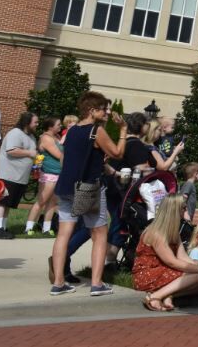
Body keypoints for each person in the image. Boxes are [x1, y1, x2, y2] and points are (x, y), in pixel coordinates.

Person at [49, 92, 125, 297]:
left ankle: (58, 282)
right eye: (103, 108)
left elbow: (67, 159)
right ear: (92, 111)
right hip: (87, 187)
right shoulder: (96, 131)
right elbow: (118, 153)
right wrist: (123, 130)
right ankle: (97, 284)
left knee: (64, 233)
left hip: (66, 186)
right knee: (100, 233)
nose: (107, 112)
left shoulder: (72, 130)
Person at [132, 194, 198, 311]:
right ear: (175, 210)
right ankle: (154, 297)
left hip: (164, 269)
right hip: (149, 273)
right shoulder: (156, 233)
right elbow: (172, 262)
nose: (186, 210)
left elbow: (182, 257)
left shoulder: (173, 231)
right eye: (184, 208)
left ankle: (167, 294)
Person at [0, 111, 38, 238]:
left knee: (9, 203)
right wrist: (30, 153)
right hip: (9, 174)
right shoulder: (15, 133)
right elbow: (11, 150)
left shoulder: (31, 137)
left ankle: (2, 227)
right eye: (35, 122)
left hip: (20, 177)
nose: (37, 124)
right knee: (2, 202)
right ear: (27, 122)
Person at [25, 116, 63, 236]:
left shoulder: (57, 137)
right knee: (41, 201)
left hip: (58, 173)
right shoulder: (46, 138)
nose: (60, 126)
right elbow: (58, 155)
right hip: (49, 174)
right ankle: (28, 227)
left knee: (53, 202)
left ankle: (46, 228)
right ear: (50, 127)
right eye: (58, 124)